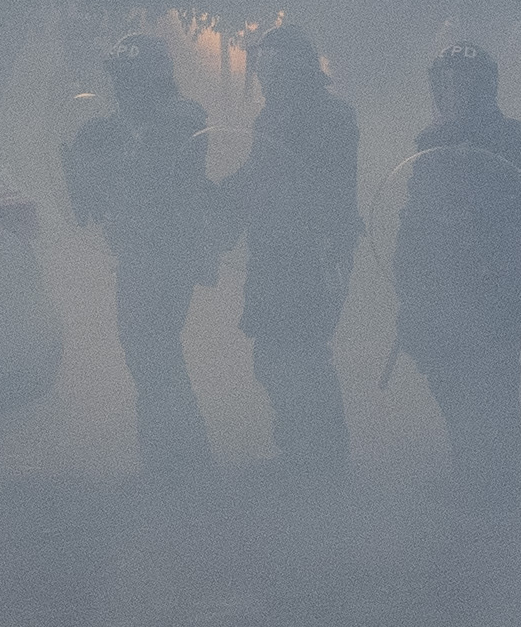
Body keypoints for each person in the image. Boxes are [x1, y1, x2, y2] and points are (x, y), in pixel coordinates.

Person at [389, 42, 521, 507]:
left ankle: (499, 482)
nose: (453, 91)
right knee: (446, 371)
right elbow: (419, 209)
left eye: (464, 81)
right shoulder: (431, 140)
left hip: (497, 278)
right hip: (442, 278)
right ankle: (469, 464)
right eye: (446, 81)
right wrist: (410, 271)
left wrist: (473, 144)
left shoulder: (512, 135)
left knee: (493, 378)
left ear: (486, 86)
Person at [60, 33, 219, 482]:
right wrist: (83, 171)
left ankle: (180, 461)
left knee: (153, 350)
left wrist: (113, 149)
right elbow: (100, 197)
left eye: (127, 77)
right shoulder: (126, 123)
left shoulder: (177, 118)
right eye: (117, 78)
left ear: (148, 76)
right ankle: (172, 458)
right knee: (148, 351)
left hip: (167, 253)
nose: (119, 86)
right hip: (139, 252)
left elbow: (157, 179)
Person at [223, 24, 361, 483]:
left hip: (311, 253)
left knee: (302, 352)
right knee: (272, 353)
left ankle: (323, 456)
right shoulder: (273, 118)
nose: (266, 78)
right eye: (263, 68)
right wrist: (217, 197)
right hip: (273, 251)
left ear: (298, 72)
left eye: (275, 69)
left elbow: (311, 182)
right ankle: (298, 448)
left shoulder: (330, 117)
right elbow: (254, 176)